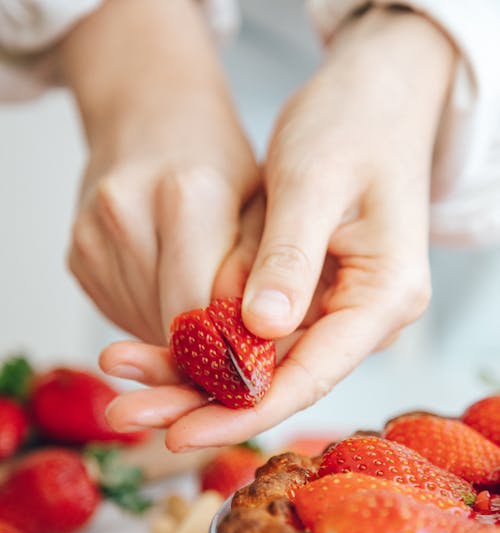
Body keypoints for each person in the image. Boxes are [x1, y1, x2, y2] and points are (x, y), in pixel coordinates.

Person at [2, 0, 500, 450]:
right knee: (170, 244)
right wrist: (134, 60)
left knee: (470, 395)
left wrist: (411, 54)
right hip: (211, 42)